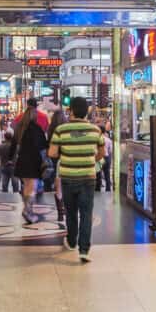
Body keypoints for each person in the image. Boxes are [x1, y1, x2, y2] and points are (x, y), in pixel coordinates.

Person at [48, 96, 105, 263]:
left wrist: (66, 154)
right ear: (86, 111)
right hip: (88, 177)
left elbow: (51, 153)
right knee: (86, 214)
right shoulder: (95, 130)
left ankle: (72, 241)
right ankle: (84, 250)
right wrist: (89, 160)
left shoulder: (61, 130)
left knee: (71, 212)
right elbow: (101, 153)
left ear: (71, 110)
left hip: (67, 177)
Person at [13, 98, 49, 223]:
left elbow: (14, 142)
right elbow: (44, 143)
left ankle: (28, 210)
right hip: (34, 161)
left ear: (26, 105)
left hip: (21, 160)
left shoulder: (19, 120)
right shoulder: (42, 120)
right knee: (32, 187)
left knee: (26, 186)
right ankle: (28, 211)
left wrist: (10, 159)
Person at [96, 125, 113, 192]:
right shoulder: (108, 140)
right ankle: (108, 189)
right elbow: (110, 151)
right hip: (107, 157)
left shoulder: (97, 139)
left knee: (98, 174)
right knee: (107, 174)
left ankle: (98, 188)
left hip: (99, 158)